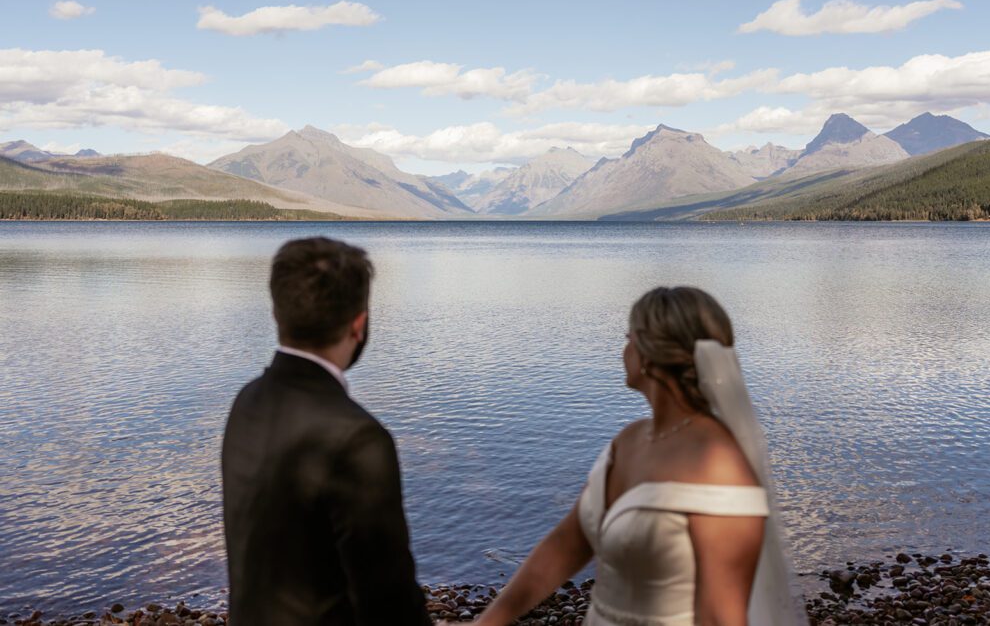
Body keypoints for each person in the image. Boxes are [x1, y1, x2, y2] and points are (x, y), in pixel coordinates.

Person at [470, 287, 806, 626]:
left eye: (628, 338)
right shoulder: (628, 440)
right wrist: (487, 622)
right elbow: (565, 546)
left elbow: (722, 616)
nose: (623, 350)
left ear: (650, 353)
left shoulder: (718, 464)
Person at [221, 237, 430, 626]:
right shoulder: (359, 440)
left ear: (276, 313)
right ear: (359, 324)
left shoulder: (246, 401)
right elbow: (389, 602)